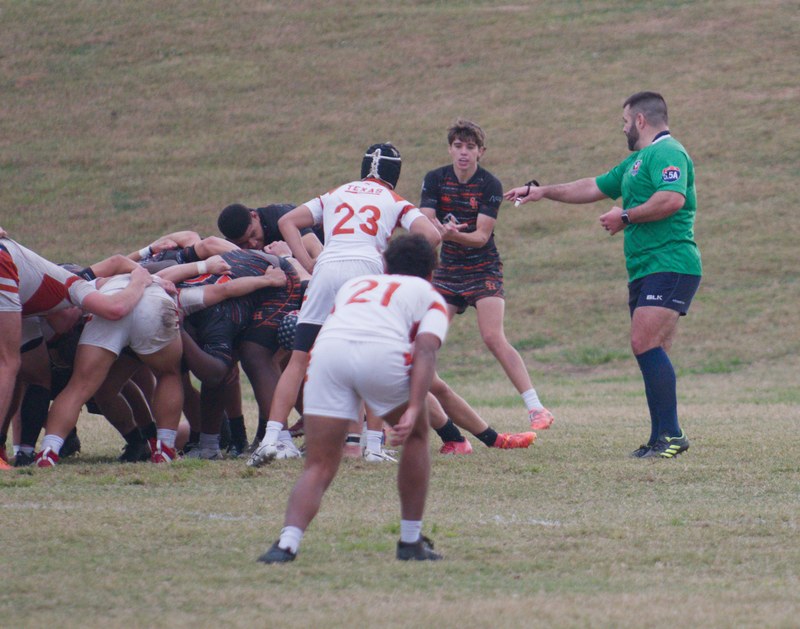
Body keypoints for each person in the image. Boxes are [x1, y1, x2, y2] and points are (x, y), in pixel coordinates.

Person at [506, 91, 702, 459]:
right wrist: (542, 192)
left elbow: (672, 198)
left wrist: (625, 216)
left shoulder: (668, 151)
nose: (623, 128)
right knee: (652, 348)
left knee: (643, 343)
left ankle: (672, 435)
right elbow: (592, 187)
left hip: (671, 262)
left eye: (625, 121)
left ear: (641, 120)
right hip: (646, 266)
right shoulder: (636, 162)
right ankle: (662, 437)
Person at [248, 142, 441, 466]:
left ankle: (270, 440)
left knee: (298, 360)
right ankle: (374, 446)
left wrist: (308, 261)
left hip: (328, 267)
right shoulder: (393, 200)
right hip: (366, 270)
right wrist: (392, 254)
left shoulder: (337, 193)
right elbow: (432, 235)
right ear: (395, 175)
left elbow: (287, 222)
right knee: (376, 354)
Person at [258, 233, 447, 563]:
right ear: (433, 272)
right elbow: (426, 349)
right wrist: (415, 406)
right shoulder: (429, 294)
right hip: (382, 354)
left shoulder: (355, 286)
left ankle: (286, 544)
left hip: (328, 354)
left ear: (385, 265)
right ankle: (410, 541)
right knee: (417, 436)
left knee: (319, 462)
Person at [419, 119, 554, 432]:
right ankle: (416, 413)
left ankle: (537, 408)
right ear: (450, 148)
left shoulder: (489, 184)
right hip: (447, 270)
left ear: (481, 151)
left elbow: (481, 237)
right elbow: (425, 222)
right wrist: (440, 231)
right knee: (426, 340)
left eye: (470, 147)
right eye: (458, 146)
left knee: (493, 337)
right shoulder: (435, 180)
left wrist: (448, 234)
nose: (463, 153)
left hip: (483, 269)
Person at [217, 203, 324, 273]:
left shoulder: (280, 217)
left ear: (255, 216)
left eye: (253, 234)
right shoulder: (229, 246)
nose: (253, 244)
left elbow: (317, 254)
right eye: (243, 244)